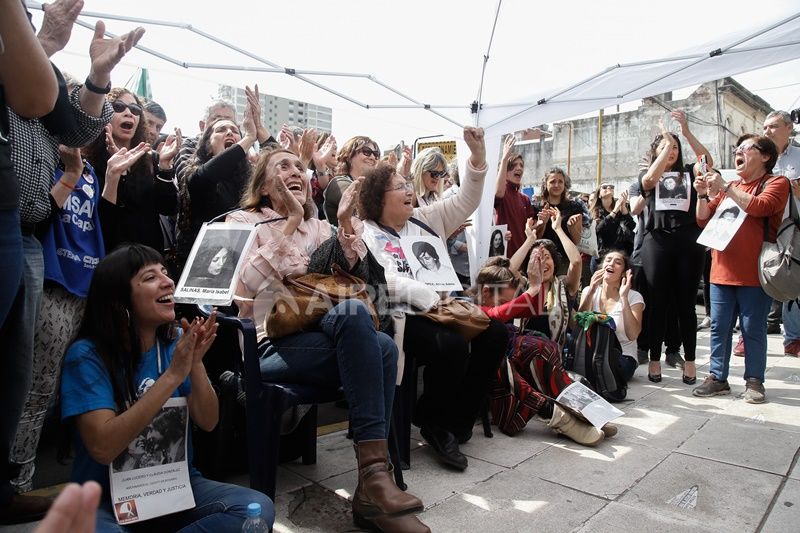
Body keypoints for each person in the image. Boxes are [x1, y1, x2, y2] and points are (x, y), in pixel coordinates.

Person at [229, 148, 428, 532]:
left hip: (327, 339)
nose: (295, 172)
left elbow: (350, 278)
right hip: (269, 347)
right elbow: (242, 289)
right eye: (282, 166)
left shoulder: (321, 226)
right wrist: (288, 222)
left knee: (381, 343)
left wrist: (344, 225)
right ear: (265, 185)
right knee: (370, 335)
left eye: (298, 166)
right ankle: (374, 487)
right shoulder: (244, 222)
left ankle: (372, 485)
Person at [60, 244, 274, 531]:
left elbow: (209, 421)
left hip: (173, 491)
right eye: (149, 277)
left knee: (256, 511)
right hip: (103, 502)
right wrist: (173, 375)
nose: (168, 281)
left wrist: (195, 362)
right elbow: (103, 447)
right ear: (118, 300)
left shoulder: (174, 344)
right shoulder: (87, 356)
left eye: (165, 272)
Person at [359, 127, 508, 472]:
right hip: (399, 317)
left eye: (408, 185)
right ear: (379, 197)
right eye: (399, 187)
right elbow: (380, 280)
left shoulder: (427, 218)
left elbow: (467, 199)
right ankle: (436, 423)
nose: (409, 190)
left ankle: (454, 420)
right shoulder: (366, 230)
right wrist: (425, 296)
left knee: (496, 334)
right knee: (452, 345)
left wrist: (478, 157)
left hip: (443, 309)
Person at [0, 0, 60, 523]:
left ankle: (2, 486)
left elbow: (40, 98)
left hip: (21, 232)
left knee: (16, 371)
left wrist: (98, 75)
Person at [471, 253, 612, 446]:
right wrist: (534, 288)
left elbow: (532, 308)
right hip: (494, 374)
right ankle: (561, 418)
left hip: (511, 364)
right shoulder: (471, 309)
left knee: (539, 349)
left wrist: (538, 283)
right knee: (509, 359)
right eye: (504, 301)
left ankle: (586, 412)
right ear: (486, 292)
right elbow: (495, 315)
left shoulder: (493, 303)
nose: (507, 305)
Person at [692, 135, 789, 402]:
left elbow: (761, 206)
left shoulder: (776, 183)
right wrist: (702, 194)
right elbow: (703, 218)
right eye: (737, 149)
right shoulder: (730, 185)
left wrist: (726, 187)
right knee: (719, 327)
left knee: (752, 329)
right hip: (721, 270)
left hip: (755, 273)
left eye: (746, 149)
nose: (739, 152)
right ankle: (717, 377)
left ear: (766, 156)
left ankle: (755, 381)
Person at [638, 110, 712, 384]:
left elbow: (707, 160)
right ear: (657, 151)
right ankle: (655, 360)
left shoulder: (691, 172)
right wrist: (666, 142)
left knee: (686, 305)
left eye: (675, 148)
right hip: (657, 242)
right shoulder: (650, 174)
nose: (672, 151)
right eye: (665, 147)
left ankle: (690, 361)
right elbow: (647, 182)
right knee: (657, 303)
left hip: (688, 242)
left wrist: (685, 132)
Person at [83, 87, 180, 253]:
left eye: (135, 110)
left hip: (148, 255)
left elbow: (168, 207)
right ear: (104, 113)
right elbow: (103, 219)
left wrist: (164, 167)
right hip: (110, 256)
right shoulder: (89, 161)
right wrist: (118, 174)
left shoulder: (150, 159)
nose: (129, 113)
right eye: (119, 107)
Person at [176, 105, 257, 273]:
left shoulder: (250, 180)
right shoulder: (197, 174)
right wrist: (249, 138)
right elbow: (205, 176)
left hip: (242, 266)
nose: (229, 132)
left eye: (235, 130)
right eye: (221, 129)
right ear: (208, 145)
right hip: (203, 269)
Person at [762, 110, 800, 356]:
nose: (767, 131)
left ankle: (793, 338)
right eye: (765, 127)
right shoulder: (760, 156)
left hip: (794, 228)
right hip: (765, 225)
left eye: (773, 126)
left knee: (793, 279)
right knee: (762, 279)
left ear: (788, 127)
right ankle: (753, 332)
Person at [578, 250, 644, 382]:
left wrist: (624, 297)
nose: (612, 263)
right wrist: (591, 291)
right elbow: (579, 324)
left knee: (607, 372)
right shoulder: (589, 291)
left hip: (622, 356)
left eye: (618, 262)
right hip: (592, 352)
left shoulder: (633, 297)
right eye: (608, 260)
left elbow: (633, 335)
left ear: (624, 273)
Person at [494, 136, 536, 257]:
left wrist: (541, 222)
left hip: (522, 255)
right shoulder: (501, 192)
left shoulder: (525, 199)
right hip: (504, 257)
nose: (519, 168)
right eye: (514, 165)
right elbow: (498, 194)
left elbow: (530, 227)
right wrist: (505, 158)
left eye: (521, 165)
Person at [534, 167, 587, 262]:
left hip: (566, 259)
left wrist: (572, 227)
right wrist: (542, 223)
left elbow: (576, 241)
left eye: (560, 182)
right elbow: (535, 239)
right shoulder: (536, 208)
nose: (556, 185)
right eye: (552, 182)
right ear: (545, 184)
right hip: (542, 259)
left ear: (564, 184)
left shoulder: (574, 207)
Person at [323, 135, 380, 223]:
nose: (372, 157)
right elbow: (361, 213)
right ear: (349, 156)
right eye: (366, 152)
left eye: (376, 154)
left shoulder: (372, 187)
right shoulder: (339, 183)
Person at [590, 183, 635, 256]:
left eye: (611, 187)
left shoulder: (619, 210)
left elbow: (631, 226)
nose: (609, 187)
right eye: (604, 187)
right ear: (599, 195)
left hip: (622, 253)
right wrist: (614, 211)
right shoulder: (595, 212)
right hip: (603, 255)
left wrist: (623, 206)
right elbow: (598, 229)